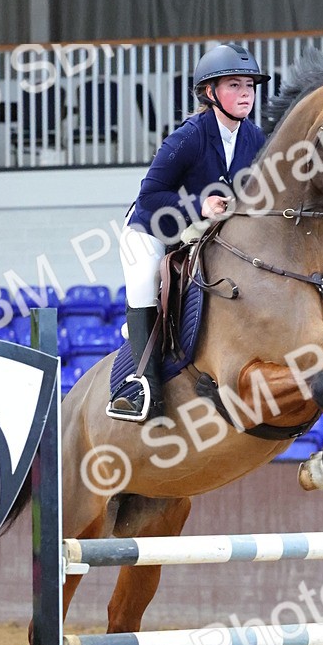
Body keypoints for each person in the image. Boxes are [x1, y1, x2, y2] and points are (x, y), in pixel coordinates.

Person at [108, 42, 269, 421]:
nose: (245, 92)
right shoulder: (188, 137)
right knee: (147, 281)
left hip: (208, 235)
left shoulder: (255, 138)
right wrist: (199, 204)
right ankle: (141, 387)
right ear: (210, 92)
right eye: (234, 85)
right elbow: (149, 196)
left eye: (249, 85)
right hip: (154, 231)